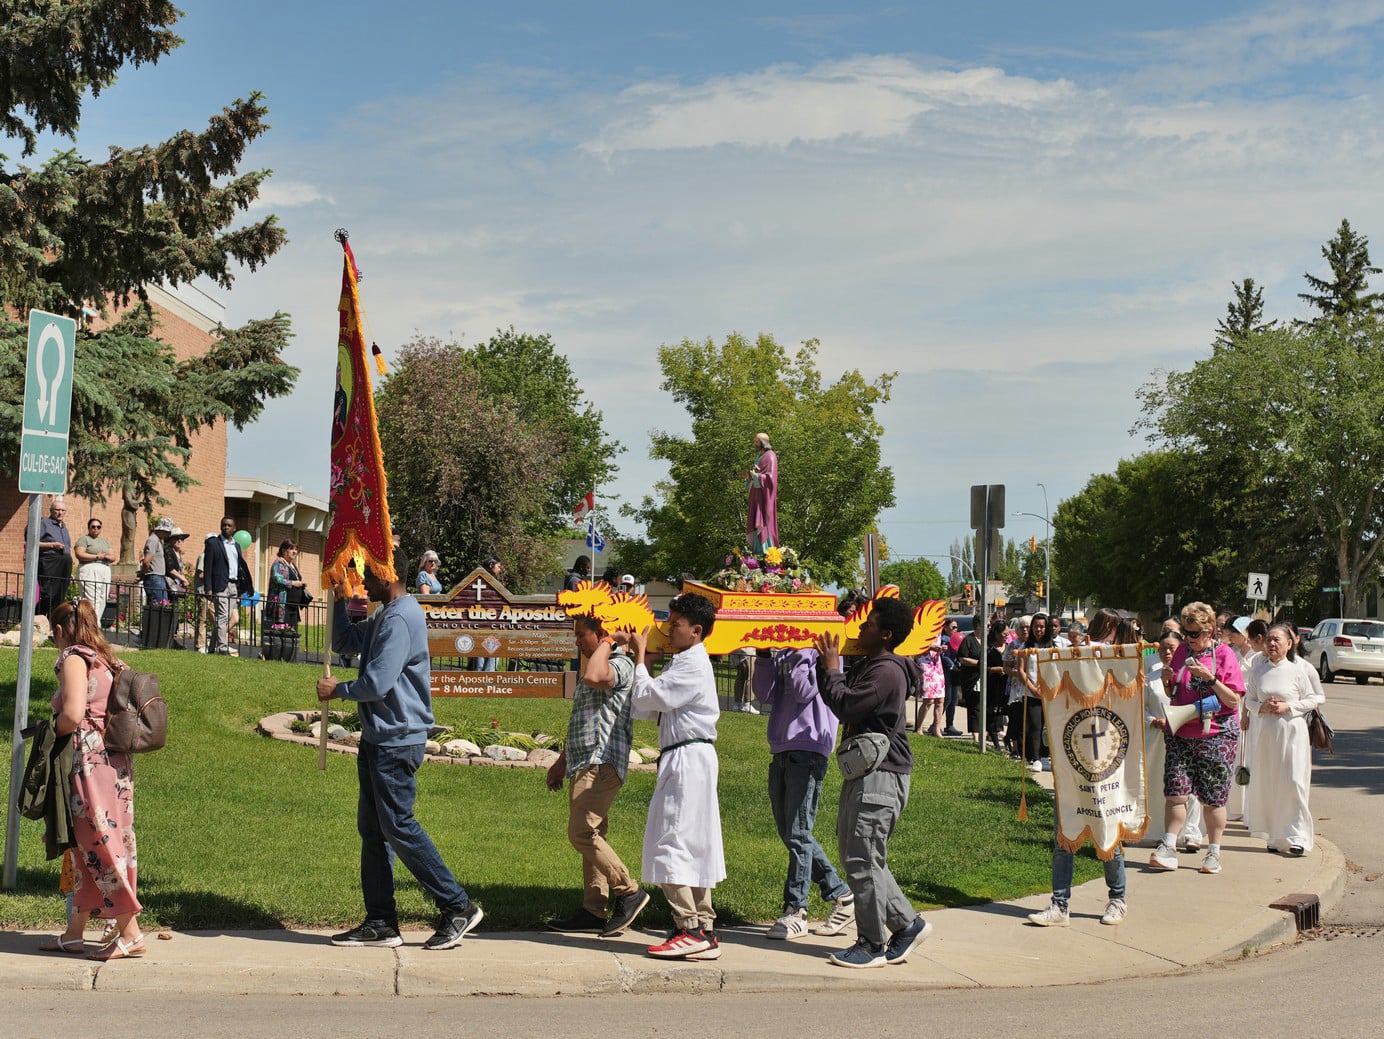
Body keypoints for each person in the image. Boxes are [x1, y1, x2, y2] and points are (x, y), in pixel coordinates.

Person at [318, 550, 483, 950]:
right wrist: (339, 597)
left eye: (368, 574)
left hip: (396, 740)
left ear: (387, 574)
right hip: (380, 737)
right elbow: (344, 641)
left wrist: (337, 690)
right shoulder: (384, 615)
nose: (363, 582)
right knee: (375, 832)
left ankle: (458, 906)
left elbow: (377, 683)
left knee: (398, 826)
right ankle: (381, 922)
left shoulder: (400, 617)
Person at [814, 597, 932, 968]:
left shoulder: (887, 672)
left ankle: (871, 945)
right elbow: (837, 697)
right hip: (870, 774)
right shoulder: (874, 665)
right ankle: (907, 925)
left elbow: (847, 706)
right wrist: (827, 667)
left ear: (886, 634)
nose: (860, 629)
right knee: (865, 857)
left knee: (862, 859)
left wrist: (832, 669)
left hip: (881, 776)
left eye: (868, 625)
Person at [616, 593, 726, 960]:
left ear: (695, 631)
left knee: (672, 841)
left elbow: (650, 697)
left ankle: (688, 927)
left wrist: (640, 656)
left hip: (687, 758)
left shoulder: (692, 665)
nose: (668, 628)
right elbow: (649, 706)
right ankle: (704, 927)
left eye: (675, 624)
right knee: (692, 842)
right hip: (689, 755)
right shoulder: (687, 661)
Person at [41, 599, 143, 960]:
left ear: (59, 631)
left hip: (88, 760)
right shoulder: (109, 659)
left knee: (97, 842)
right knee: (103, 842)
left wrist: (49, 729)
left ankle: (130, 931)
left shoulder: (73, 657)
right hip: (116, 763)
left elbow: (71, 714)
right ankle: (74, 933)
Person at [1028, 607, 1133, 927]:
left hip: (1105, 760)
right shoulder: (1075, 657)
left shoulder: (1124, 661)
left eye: (1110, 632)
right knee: (1065, 833)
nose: (1104, 637)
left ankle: (1118, 899)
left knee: (1107, 835)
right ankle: (1060, 905)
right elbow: (1050, 692)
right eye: (1101, 630)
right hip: (1074, 757)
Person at [545, 614, 648, 935]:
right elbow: (584, 718)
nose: (577, 641)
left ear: (601, 632)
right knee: (592, 836)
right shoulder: (601, 659)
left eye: (581, 635)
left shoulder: (621, 664)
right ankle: (594, 909)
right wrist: (562, 762)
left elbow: (594, 677)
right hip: (585, 761)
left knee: (581, 833)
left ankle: (629, 891)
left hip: (602, 762)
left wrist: (610, 640)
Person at [752, 645, 855, 941]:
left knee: (798, 833)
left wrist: (799, 650)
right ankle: (839, 893)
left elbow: (802, 691)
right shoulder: (786, 650)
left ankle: (796, 909)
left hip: (809, 747)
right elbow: (766, 694)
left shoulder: (819, 651)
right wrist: (763, 656)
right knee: (791, 832)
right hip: (782, 746)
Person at [1149, 601, 1245, 876]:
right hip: (1182, 731)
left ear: (1210, 630)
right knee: (1175, 793)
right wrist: (1169, 681)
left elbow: (1233, 701)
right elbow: (1174, 694)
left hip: (1216, 735)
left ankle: (1213, 852)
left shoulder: (1225, 654)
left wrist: (1210, 677)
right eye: (1186, 633)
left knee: (1213, 799)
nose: (1189, 640)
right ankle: (1168, 846)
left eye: (1194, 633)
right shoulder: (1181, 651)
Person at [1243, 623, 1326, 855]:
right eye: (1269, 639)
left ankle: (1297, 835)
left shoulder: (1299, 670)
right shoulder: (1258, 670)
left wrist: (1289, 706)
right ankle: (1276, 836)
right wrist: (1263, 707)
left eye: (1277, 640)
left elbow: (1316, 698)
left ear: (1289, 644)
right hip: (1268, 734)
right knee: (1271, 783)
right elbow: (1248, 700)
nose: (1271, 643)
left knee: (1293, 782)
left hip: (1293, 732)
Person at [1144, 629, 1205, 853]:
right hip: (1157, 738)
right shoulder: (1150, 678)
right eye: (1163, 648)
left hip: (1185, 736)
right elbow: (1141, 709)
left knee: (1189, 786)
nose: (1167, 652)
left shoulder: (1192, 674)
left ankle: (1191, 832)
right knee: (1162, 785)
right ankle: (1160, 829)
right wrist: (1153, 720)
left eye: (1172, 647)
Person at [203, 518, 253, 655]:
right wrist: (208, 588)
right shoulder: (214, 544)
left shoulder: (236, 546)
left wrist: (243, 586)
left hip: (233, 584)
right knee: (222, 616)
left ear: (234, 528)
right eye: (224, 525)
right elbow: (207, 568)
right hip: (220, 585)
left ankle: (212, 647)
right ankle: (223, 647)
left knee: (225, 617)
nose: (226, 527)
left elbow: (239, 566)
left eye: (229, 525)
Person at [1017, 613, 1053, 770]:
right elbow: (1020, 670)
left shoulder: (1053, 646)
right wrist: (1032, 688)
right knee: (1035, 725)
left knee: (1049, 726)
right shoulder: (1025, 647)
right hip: (1031, 692)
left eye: (1042, 626)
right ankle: (1036, 758)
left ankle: (1047, 756)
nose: (1039, 629)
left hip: (1050, 692)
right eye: (1036, 626)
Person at [34, 496, 73, 617]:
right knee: (48, 595)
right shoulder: (44, 524)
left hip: (64, 565)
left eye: (62, 510)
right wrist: (52, 545)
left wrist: (69, 569)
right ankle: (37, 619)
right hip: (50, 562)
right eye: (57, 510)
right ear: (51, 511)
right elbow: (33, 543)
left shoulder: (64, 528)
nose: (60, 512)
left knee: (60, 596)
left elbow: (68, 548)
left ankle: (54, 621)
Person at [73, 516, 115, 623]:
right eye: (93, 527)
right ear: (89, 528)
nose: (95, 529)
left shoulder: (104, 542)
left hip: (104, 569)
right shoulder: (84, 539)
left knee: (102, 599)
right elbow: (79, 554)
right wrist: (97, 556)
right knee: (92, 599)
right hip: (90, 569)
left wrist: (108, 557)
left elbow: (113, 556)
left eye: (98, 527)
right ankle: (89, 624)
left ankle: (95, 623)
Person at [1002, 616, 1031, 758]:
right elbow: (1005, 667)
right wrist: (1018, 673)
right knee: (1015, 718)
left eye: (1027, 627)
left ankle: (1029, 749)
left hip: (1033, 686)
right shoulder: (1013, 645)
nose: (1025, 630)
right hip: (1016, 687)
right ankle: (1015, 748)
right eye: (1022, 627)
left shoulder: (1036, 645)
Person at [746, 432, 779, 553]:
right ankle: (756, 553)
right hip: (756, 497)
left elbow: (770, 478)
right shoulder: (759, 457)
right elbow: (756, 476)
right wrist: (749, 478)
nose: (755, 444)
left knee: (763, 523)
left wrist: (756, 477)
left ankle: (767, 553)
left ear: (763, 442)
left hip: (764, 499)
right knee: (755, 523)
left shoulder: (770, 456)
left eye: (756, 441)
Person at [268, 541, 309, 626]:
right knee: (283, 633)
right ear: (283, 551)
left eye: (296, 549)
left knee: (292, 634)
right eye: (291, 549)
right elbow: (276, 578)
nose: (295, 551)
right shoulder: (278, 563)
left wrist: (301, 584)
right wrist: (293, 583)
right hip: (283, 605)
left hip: (294, 606)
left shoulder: (292, 565)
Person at [914, 636, 945, 736]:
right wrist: (931, 647)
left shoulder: (939, 630)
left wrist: (941, 649)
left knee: (940, 700)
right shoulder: (923, 627)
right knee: (928, 699)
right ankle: (919, 728)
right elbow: (915, 645)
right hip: (925, 662)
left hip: (937, 663)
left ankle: (936, 729)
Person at [140, 517, 174, 606]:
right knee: (158, 607)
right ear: (161, 530)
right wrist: (142, 574)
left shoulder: (157, 541)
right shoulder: (153, 540)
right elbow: (147, 561)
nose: (168, 534)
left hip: (157, 578)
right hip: (154, 578)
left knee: (163, 606)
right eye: (167, 532)